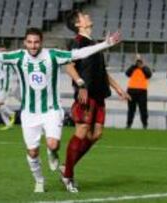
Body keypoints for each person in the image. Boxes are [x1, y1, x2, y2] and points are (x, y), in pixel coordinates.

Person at [0, 23, 121, 192]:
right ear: (24, 43)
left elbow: (78, 53)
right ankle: (39, 180)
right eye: (29, 42)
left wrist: (105, 44)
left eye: (36, 42)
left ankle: (53, 153)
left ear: (41, 42)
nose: (33, 45)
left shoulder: (52, 55)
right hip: (29, 113)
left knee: (53, 144)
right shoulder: (18, 57)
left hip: (51, 110)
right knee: (33, 152)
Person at [61, 10, 130, 193]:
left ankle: (66, 167)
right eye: (83, 15)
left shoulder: (93, 44)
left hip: (99, 95)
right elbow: (68, 65)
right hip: (86, 94)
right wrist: (80, 83)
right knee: (82, 131)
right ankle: (68, 175)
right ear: (78, 24)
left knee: (96, 134)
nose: (88, 16)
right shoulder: (77, 42)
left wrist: (118, 88)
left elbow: (102, 71)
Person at [125, 55, 152, 129]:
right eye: (137, 61)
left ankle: (145, 124)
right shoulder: (132, 68)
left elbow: (149, 75)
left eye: (140, 61)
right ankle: (128, 124)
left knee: (143, 109)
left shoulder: (145, 68)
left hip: (142, 91)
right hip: (131, 90)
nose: (138, 63)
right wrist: (133, 65)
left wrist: (142, 67)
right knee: (131, 109)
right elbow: (127, 74)